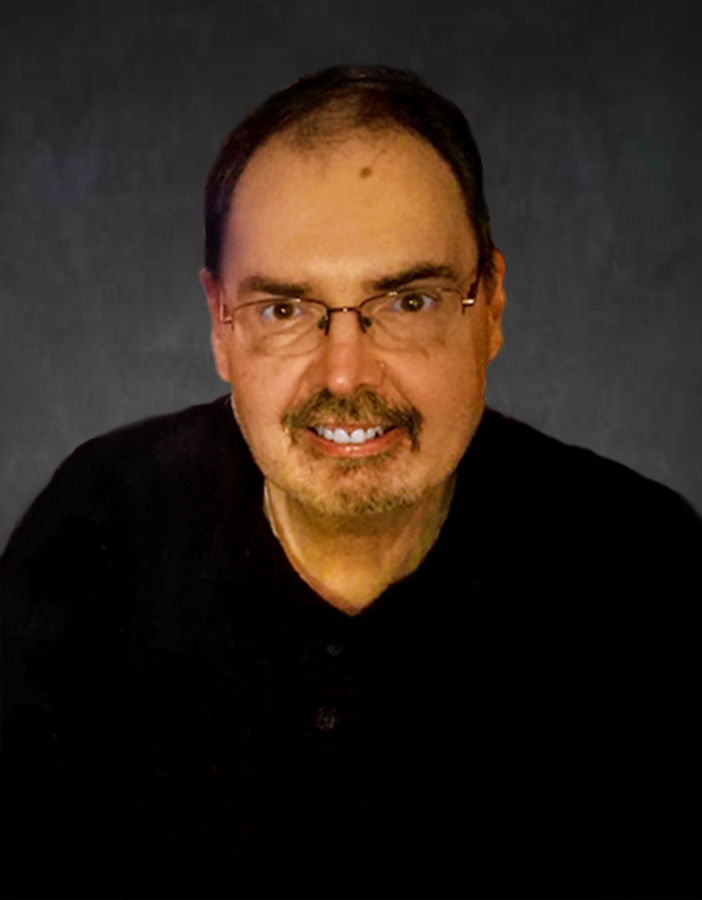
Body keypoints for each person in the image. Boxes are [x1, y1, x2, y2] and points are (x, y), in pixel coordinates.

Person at [1, 66, 699, 900]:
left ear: (491, 307)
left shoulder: (646, 566)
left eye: (407, 303)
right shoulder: (96, 529)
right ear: (220, 326)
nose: (344, 375)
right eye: (284, 310)